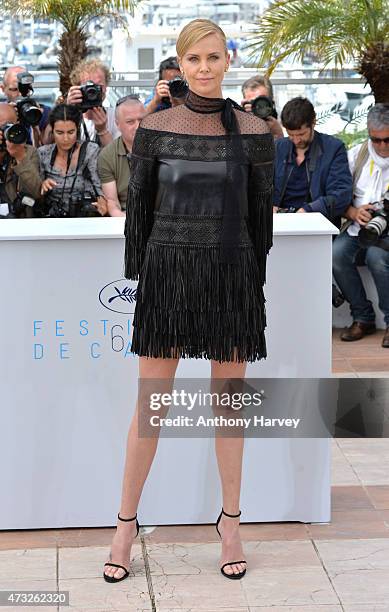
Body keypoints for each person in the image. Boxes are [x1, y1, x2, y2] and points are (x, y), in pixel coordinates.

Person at [103, 19, 274, 584]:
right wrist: (144, 281)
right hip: (168, 278)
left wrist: (253, 285)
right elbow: (141, 218)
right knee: (152, 407)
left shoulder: (253, 130)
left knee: (228, 403)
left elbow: (260, 220)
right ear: (180, 64)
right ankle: (125, 525)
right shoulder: (153, 128)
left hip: (232, 278)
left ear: (228, 60)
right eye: (194, 59)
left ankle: (230, 523)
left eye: (213, 58)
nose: (204, 68)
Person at [333, 104, 389, 347]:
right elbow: (337, 196)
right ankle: (362, 316)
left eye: (388, 140)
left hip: (386, 236)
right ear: (368, 133)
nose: (382, 146)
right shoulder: (355, 155)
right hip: (358, 228)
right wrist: (353, 211)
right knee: (335, 255)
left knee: (376, 258)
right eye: (376, 140)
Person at [274, 97, 352, 223]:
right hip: (280, 222)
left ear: (313, 122)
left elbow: (341, 194)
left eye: (301, 134)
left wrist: (308, 210)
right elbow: (261, 186)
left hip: (318, 222)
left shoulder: (333, 148)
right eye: (290, 135)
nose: (296, 140)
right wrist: (268, 207)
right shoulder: (278, 147)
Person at [37, 104, 107, 217]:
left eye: (70, 132)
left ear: (78, 130)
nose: (65, 138)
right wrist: (42, 185)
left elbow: (98, 185)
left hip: (84, 217)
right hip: (52, 218)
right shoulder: (43, 153)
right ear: (52, 131)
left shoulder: (90, 151)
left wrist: (102, 201)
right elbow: (36, 195)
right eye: (59, 133)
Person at [97, 96, 146, 217]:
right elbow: (112, 203)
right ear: (117, 124)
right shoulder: (107, 155)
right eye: (130, 122)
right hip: (124, 217)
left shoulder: (161, 150)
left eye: (141, 120)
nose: (137, 126)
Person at [0, 103, 41, 218]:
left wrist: (20, 157)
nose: (5, 132)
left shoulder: (28, 152)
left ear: (17, 124)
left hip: (21, 223)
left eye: (9, 126)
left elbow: (37, 192)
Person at [66, 59, 120, 146]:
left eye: (98, 86)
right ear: (78, 88)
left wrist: (103, 130)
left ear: (106, 87)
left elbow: (115, 157)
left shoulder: (116, 117)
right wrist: (67, 110)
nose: (92, 91)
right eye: (88, 87)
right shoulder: (71, 117)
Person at [1, 65, 51, 143]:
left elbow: (47, 149)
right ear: (3, 89)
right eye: (14, 90)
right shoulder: (1, 113)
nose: (20, 94)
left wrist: (35, 123)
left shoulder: (44, 113)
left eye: (24, 89)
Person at [241, 75, 283, 139]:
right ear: (245, 103)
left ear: (271, 101)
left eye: (261, 100)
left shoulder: (277, 121)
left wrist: (278, 134)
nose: (258, 106)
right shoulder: (239, 122)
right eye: (252, 102)